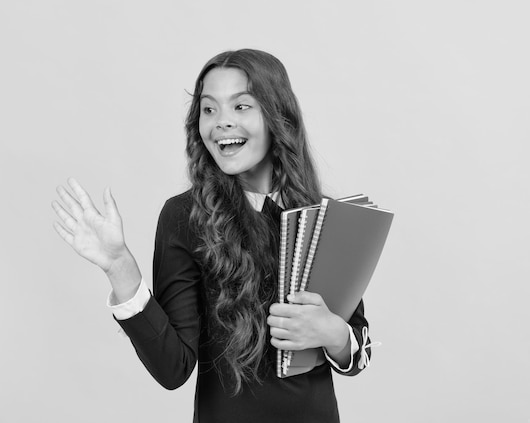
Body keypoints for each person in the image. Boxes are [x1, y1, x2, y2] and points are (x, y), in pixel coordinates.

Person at [52, 49, 373, 423]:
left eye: (241, 107)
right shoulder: (184, 217)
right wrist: (120, 267)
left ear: (277, 116)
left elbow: (359, 353)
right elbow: (173, 369)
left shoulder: (325, 217)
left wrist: (334, 333)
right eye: (209, 109)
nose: (221, 122)